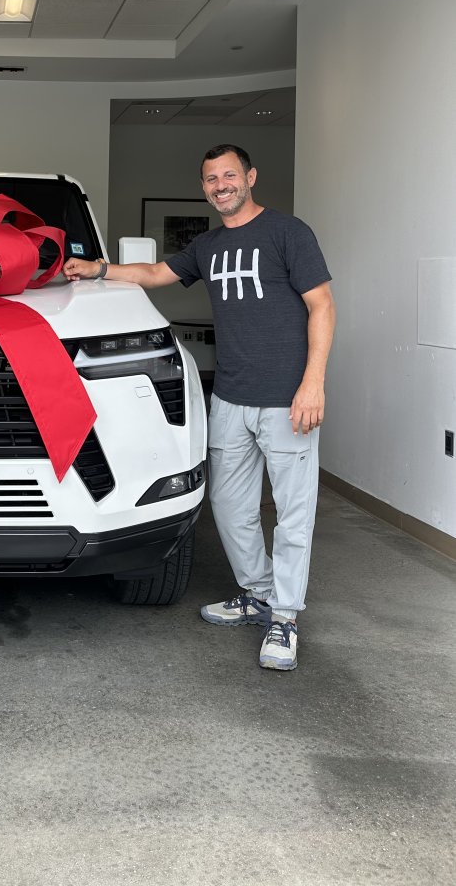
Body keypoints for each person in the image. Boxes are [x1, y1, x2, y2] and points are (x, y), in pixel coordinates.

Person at [64, 144, 335, 671]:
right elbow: (153, 273)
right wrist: (98, 269)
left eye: (229, 175)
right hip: (229, 398)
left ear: (250, 177)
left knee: (293, 513)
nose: (221, 185)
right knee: (229, 507)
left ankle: (285, 616)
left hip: (287, 397)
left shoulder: (288, 233)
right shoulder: (208, 245)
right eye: (212, 178)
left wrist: (313, 384)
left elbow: (321, 304)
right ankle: (257, 593)